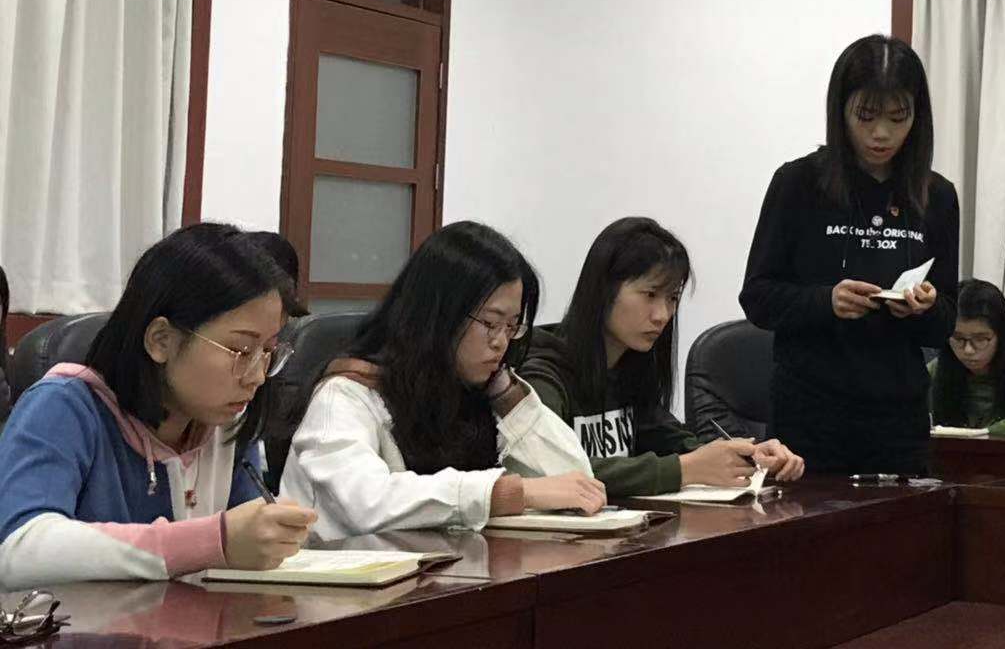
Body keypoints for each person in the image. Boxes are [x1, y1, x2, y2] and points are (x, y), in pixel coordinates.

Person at [0, 223, 317, 589]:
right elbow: (17, 549)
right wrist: (212, 541)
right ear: (161, 340)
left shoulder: (227, 419)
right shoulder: (65, 407)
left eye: (268, 351)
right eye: (241, 350)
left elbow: (244, 556)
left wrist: (269, 539)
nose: (257, 376)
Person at [279, 222, 603, 541]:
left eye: (512, 326)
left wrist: (507, 394)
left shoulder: (474, 390)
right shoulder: (347, 394)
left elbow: (577, 484)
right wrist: (507, 493)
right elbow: (366, 501)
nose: (501, 342)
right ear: (438, 315)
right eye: (490, 323)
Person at [740, 34, 959, 475]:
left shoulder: (936, 196)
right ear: (841, 111)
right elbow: (758, 298)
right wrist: (827, 301)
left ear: (918, 116)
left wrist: (923, 307)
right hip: (810, 417)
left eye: (898, 118)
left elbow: (945, 323)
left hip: (898, 420)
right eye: (866, 116)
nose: (882, 134)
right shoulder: (798, 184)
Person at [523, 217, 805, 497]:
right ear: (603, 290)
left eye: (672, 298)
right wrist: (684, 469)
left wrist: (748, 455)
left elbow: (669, 438)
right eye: (650, 294)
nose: (662, 315)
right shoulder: (542, 373)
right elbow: (553, 469)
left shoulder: (629, 367)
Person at [928, 280, 1005, 438]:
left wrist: (975, 435)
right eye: (958, 338)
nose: (968, 350)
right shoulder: (937, 369)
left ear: (1001, 336)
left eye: (981, 339)